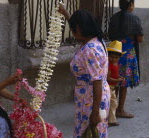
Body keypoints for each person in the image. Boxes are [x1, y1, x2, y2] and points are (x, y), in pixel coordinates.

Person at [59, 5, 110, 138]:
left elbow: (97, 80)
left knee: (88, 132)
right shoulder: (96, 41)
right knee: (94, 132)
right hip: (94, 96)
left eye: (73, 29)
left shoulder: (90, 50)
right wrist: (66, 14)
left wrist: (95, 113)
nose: (72, 32)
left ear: (79, 29)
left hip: (91, 98)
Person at [108, 0, 144, 118]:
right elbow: (139, 39)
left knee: (114, 81)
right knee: (123, 84)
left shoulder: (114, 18)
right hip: (128, 55)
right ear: (130, 4)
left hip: (114, 55)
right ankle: (120, 109)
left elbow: (110, 35)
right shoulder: (135, 19)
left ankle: (112, 109)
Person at [107, 41, 125, 126]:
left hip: (112, 87)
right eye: (111, 56)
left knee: (113, 103)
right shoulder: (109, 66)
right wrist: (117, 80)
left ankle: (111, 119)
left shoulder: (115, 64)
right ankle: (111, 120)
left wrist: (118, 78)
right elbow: (108, 78)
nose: (113, 59)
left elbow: (114, 75)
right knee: (112, 103)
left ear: (119, 58)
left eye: (115, 57)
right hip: (108, 87)